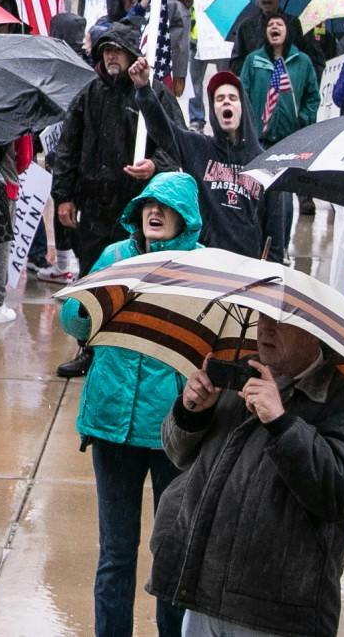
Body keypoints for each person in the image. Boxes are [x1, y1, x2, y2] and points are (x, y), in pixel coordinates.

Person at [148, 316, 344, 637]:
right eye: (262, 318)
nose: (265, 329)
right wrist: (192, 410)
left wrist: (281, 422)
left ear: (313, 333)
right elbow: (178, 453)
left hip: (272, 609)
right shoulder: (239, 373)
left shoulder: (340, 399)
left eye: (281, 322)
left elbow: (342, 493)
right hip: (202, 590)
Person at [58, 172, 201, 637]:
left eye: (166, 206)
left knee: (172, 553)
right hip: (110, 426)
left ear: (188, 216)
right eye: (147, 204)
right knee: (115, 553)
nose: (154, 212)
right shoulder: (115, 256)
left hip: (172, 434)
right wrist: (86, 306)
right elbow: (75, 323)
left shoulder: (201, 268)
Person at [51, 21, 162, 377]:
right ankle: (90, 349)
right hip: (94, 210)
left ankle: (129, 353)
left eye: (118, 50)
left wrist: (156, 166)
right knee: (93, 281)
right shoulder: (89, 96)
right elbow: (67, 148)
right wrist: (64, 196)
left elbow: (176, 144)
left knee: (134, 285)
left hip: (137, 208)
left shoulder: (152, 95)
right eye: (106, 51)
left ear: (133, 54)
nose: (112, 56)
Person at [137, 65, 286, 260]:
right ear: (213, 110)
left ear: (243, 107)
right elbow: (163, 130)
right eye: (219, 99)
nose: (226, 102)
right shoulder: (199, 148)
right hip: (204, 263)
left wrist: (272, 272)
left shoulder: (266, 163)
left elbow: (275, 229)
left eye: (232, 98)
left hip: (247, 266)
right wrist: (143, 90)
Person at [239, 10, 320, 146]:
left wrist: (303, 119)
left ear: (288, 32)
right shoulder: (252, 60)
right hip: (259, 138)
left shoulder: (303, 61)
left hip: (292, 138)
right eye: (270, 25)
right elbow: (242, 95)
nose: (274, 27)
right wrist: (250, 123)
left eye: (279, 24)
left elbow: (313, 97)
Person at [226, 0, 310, 63]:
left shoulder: (293, 23)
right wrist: (253, 72)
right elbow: (235, 61)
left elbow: (301, 57)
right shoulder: (246, 26)